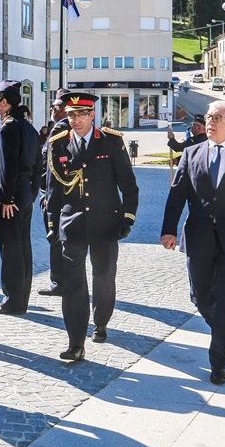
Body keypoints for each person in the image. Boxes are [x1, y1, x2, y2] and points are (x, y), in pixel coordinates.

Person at [161, 100, 225, 385]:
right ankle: (223, 329)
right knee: (199, 297)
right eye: (209, 116)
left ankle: (219, 362)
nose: (210, 121)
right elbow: (177, 195)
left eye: (217, 117)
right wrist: (168, 230)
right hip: (198, 237)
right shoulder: (191, 153)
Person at [46, 92, 138, 361]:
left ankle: (101, 321)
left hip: (105, 222)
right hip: (72, 223)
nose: (75, 120)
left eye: (80, 115)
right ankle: (76, 342)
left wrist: (127, 218)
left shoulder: (111, 142)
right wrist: (51, 223)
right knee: (74, 283)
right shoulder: (58, 144)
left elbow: (128, 185)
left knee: (104, 274)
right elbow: (52, 190)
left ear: (91, 115)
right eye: (71, 115)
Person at [0, 81, 39, 315]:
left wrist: (6, 197)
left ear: (5, 102)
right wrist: (32, 192)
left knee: (10, 249)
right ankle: (21, 299)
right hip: (25, 192)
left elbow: (7, 167)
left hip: (10, 196)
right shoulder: (29, 127)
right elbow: (39, 167)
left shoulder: (9, 127)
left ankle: (11, 300)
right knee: (23, 246)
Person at [37, 89, 71, 297]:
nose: (52, 109)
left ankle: (59, 281)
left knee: (56, 237)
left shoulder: (60, 129)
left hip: (54, 193)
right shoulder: (66, 128)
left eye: (56, 106)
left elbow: (52, 168)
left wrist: (49, 195)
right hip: (59, 192)